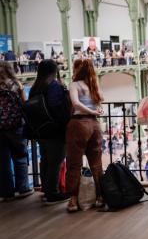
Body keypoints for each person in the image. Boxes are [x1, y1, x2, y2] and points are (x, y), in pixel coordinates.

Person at [26, 59, 71, 205]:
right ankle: (52, 193)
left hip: (40, 130)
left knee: (45, 160)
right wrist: (64, 122)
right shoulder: (53, 86)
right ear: (54, 71)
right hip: (54, 130)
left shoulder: (35, 87)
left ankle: (46, 190)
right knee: (56, 161)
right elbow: (56, 106)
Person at [65, 59, 104, 212]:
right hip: (95, 126)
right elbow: (101, 99)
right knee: (96, 164)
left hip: (79, 124)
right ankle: (100, 197)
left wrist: (89, 110)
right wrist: (94, 111)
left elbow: (75, 103)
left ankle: (73, 200)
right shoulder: (93, 85)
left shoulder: (75, 85)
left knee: (74, 163)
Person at [0, 62, 33, 201]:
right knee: (20, 157)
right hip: (16, 126)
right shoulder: (17, 84)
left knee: (3, 161)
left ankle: (6, 192)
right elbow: (24, 104)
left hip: (0, 128)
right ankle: (23, 188)